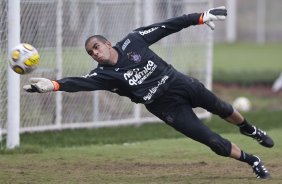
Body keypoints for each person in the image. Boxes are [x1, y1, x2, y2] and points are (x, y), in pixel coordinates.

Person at [24, 6, 274, 179]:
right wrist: (52, 85)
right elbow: (77, 83)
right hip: (165, 107)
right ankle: (253, 161)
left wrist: (201, 16)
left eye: (96, 47)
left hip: (178, 83)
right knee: (213, 142)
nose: (95, 53)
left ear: (108, 43)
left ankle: (250, 129)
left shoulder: (134, 41)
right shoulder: (102, 75)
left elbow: (167, 26)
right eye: (90, 52)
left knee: (222, 108)